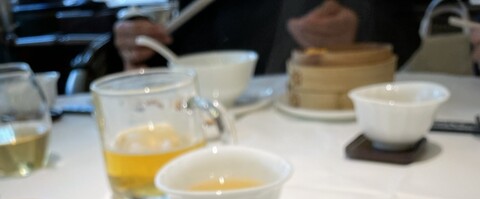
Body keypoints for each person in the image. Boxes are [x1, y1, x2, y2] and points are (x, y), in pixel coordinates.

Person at [112, 0, 420, 75]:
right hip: (205, 118)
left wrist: (360, 27)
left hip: (334, 115)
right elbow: (167, 39)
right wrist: (137, 38)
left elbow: (408, 27)